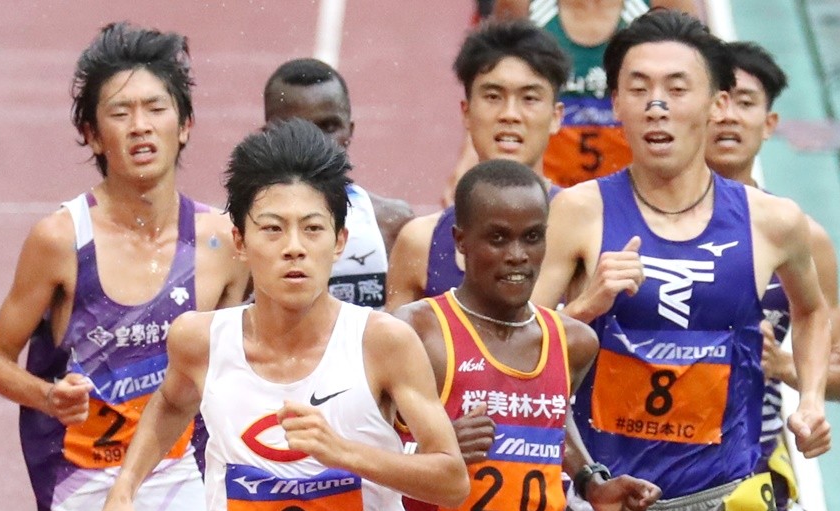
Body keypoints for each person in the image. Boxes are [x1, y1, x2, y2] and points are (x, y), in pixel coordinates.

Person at [88, 118, 470, 511]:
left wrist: (342, 452)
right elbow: (170, 405)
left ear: (339, 241)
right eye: (272, 228)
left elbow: (451, 480)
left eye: (312, 228)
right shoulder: (200, 341)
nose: (294, 247)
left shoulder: (382, 344)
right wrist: (123, 492)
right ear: (240, 241)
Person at [531, 11, 832, 511]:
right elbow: (518, 353)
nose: (657, 105)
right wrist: (586, 308)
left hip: (723, 499)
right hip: (607, 505)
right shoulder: (577, 213)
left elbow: (814, 307)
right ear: (615, 101)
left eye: (677, 87)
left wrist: (809, 400)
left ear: (717, 103)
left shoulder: (771, 222)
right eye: (638, 88)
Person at [0, 22, 248, 511]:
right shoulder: (59, 240)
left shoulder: (220, 243)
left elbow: (239, 371)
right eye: (120, 113)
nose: (141, 125)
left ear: (186, 124)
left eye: (156, 108)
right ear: (91, 134)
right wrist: (48, 396)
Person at [394, 159, 659, 511]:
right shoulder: (417, 334)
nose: (518, 254)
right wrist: (435, 447)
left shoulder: (574, 343)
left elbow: (550, 422)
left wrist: (591, 481)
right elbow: (355, 451)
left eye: (532, 237)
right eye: (498, 238)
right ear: (461, 242)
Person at [705, 39, 840, 511]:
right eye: (716, 100)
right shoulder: (620, 218)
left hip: (750, 473)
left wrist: (791, 374)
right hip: (640, 472)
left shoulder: (802, 238)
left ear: (772, 122)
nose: (728, 115)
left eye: (746, 102)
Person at [386, 20, 569, 311]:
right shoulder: (420, 243)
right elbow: (391, 353)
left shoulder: (586, 231)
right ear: (466, 112)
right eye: (493, 96)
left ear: (557, 116)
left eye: (529, 98)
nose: (510, 114)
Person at [442, 0, 700, 203]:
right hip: (545, 186)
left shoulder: (660, 4)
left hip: (632, 188)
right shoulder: (523, 4)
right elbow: (492, 75)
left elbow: (698, 82)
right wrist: (469, 156)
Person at [263, 58, 413, 308]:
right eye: (297, 127)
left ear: (349, 131)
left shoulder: (391, 224)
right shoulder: (239, 235)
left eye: (328, 126)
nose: (315, 141)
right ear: (269, 135)